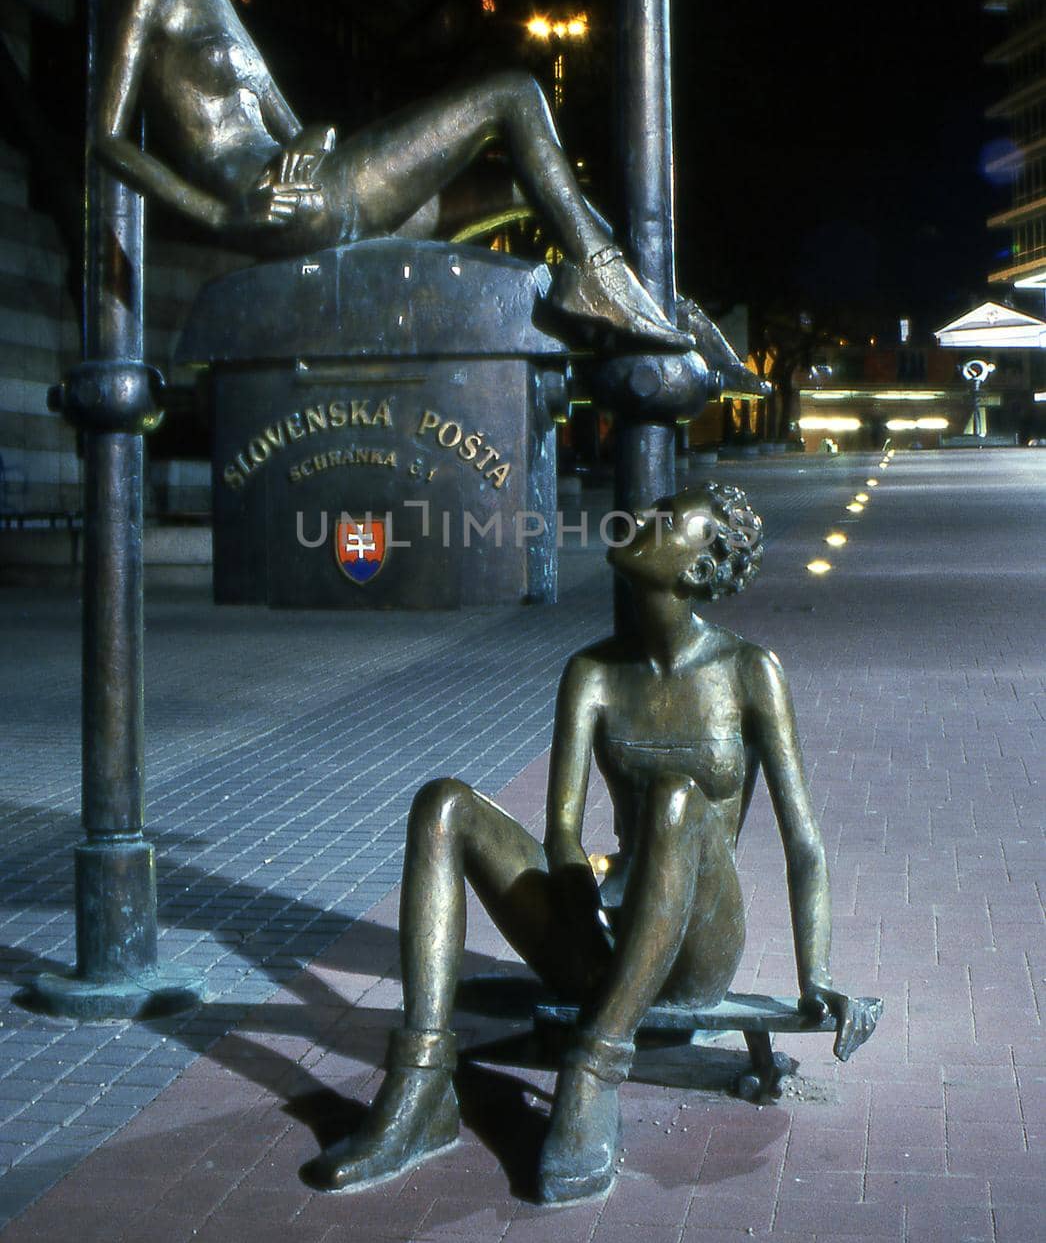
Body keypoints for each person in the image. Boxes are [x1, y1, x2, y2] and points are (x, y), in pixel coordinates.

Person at [302, 482, 877, 1204]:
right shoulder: (593, 674)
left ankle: (595, 1067)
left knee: (673, 796)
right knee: (442, 805)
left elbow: (805, 844)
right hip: (600, 936)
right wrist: (578, 901)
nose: (640, 521)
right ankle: (423, 1087)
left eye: (666, 522)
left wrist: (815, 974)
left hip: (696, 947)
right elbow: (562, 830)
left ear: (699, 569)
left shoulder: (748, 672)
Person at [94, 0, 758, 381]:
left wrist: (312, 136)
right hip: (291, 213)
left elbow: (288, 133)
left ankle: (660, 303)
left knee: (529, 190)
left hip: (321, 203)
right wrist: (222, 215)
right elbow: (108, 138)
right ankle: (606, 284)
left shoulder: (221, 4)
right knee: (514, 92)